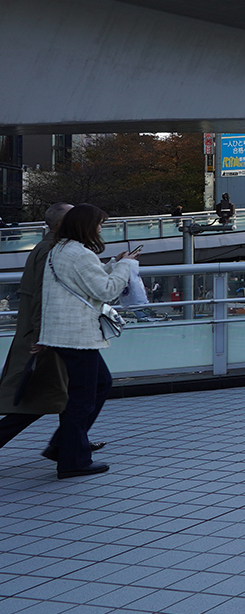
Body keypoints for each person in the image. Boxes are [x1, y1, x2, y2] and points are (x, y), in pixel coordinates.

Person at [39, 204, 140, 479]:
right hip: (77, 335)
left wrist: (112, 264)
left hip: (62, 333)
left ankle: (64, 445)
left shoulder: (61, 249)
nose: (99, 229)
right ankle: (72, 459)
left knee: (99, 384)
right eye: (99, 224)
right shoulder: (79, 253)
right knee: (83, 398)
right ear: (86, 225)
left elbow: (82, 279)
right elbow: (106, 290)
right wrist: (126, 266)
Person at [0, 202, 75, 453]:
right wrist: (42, 335)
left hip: (48, 335)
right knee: (45, 398)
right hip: (47, 338)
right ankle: (67, 445)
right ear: (60, 225)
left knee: (65, 394)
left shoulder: (49, 247)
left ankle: (72, 443)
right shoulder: (51, 251)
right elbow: (44, 295)